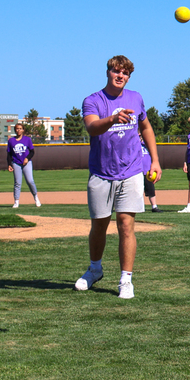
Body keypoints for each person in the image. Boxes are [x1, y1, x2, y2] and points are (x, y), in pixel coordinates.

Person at [74, 55, 161, 299]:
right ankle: (94, 270)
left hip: (131, 170)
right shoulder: (93, 100)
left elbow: (146, 128)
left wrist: (154, 160)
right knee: (99, 226)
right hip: (101, 173)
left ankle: (126, 279)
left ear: (129, 76)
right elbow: (92, 127)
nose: (120, 75)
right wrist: (113, 118)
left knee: (125, 224)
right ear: (108, 72)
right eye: (116, 71)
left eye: (125, 73)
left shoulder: (136, 97)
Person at [7, 123, 41, 208]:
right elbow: (9, 154)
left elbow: (32, 151)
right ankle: (16, 201)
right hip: (16, 162)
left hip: (26, 162)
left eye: (20, 128)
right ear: (15, 130)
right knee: (17, 183)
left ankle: (36, 197)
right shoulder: (11, 140)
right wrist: (9, 164)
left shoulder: (27, 139)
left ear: (23, 130)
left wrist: (27, 158)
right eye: (17, 129)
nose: (19, 130)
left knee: (30, 181)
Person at [140, 133, 162, 212]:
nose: (139, 137)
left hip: (148, 171)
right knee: (138, 190)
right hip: (137, 171)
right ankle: (140, 207)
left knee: (150, 189)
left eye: (140, 136)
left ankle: (154, 206)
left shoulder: (147, 145)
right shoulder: (134, 144)